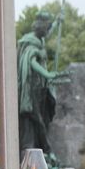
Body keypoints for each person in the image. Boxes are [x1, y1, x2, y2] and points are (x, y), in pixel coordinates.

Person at [17, 9, 68, 159]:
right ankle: (46, 149)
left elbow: (48, 33)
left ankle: (43, 150)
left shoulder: (40, 39)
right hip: (30, 88)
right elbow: (31, 62)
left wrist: (57, 23)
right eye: (46, 26)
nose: (47, 30)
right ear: (40, 27)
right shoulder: (30, 42)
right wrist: (48, 74)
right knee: (36, 119)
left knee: (41, 118)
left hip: (39, 88)